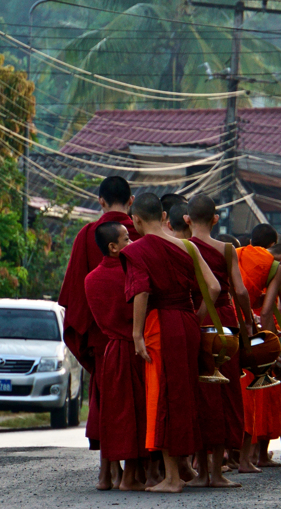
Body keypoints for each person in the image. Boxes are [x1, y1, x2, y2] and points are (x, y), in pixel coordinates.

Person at [125, 193, 221, 494]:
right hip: (186, 322)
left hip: (160, 326)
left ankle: (172, 478)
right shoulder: (187, 246)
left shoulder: (138, 249)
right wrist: (194, 316)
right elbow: (214, 287)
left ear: (136, 220)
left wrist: (137, 334)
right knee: (182, 396)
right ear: (164, 215)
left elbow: (141, 292)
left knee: (163, 397)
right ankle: (177, 472)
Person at [58, 176, 138, 487]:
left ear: (100, 201)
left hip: (99, 336)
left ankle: (108, 470)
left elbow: (73, 296)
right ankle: (135, 471)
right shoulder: (138, 233)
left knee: (105, 399)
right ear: (131, 201)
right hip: (135, 334)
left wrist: (87, 335)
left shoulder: (87, 235)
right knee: (133, 402)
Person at [185, 194, 253, 489]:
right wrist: (249, 320)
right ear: (215, 219)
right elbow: (239, 290)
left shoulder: (181, 247)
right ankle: (217, 471)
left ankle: (199, 473)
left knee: (199, 394)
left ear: (187, 220)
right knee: (224, 394)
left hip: (194, 319)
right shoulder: (227, 249)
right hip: (224, 322)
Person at [84, 222, 146, 491]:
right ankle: (131, 476)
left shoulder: (90, 279)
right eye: (127, 238)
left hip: (109, 351)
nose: (132, 243)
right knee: (136, 411)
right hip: (133, 348)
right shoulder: (130, 274)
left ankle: (110, 474)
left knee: (113, 414)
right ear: (113, 247)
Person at [235, 224, 281, 472]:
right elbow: (267, 311)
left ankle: (235, 456)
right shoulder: (274, 266)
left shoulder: (236, 254)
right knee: (256, 394)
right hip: (253, 331)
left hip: (228, 325)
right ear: (272, 245)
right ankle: (251, 457)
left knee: (235, 393)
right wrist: (270, 344)